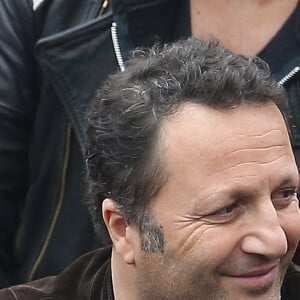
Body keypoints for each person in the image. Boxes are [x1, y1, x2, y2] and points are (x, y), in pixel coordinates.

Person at [1, 0, 300, 289]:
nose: (274, 242)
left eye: (286, 194)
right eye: (225, 209)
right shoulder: (51, 13)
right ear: (119, 227)